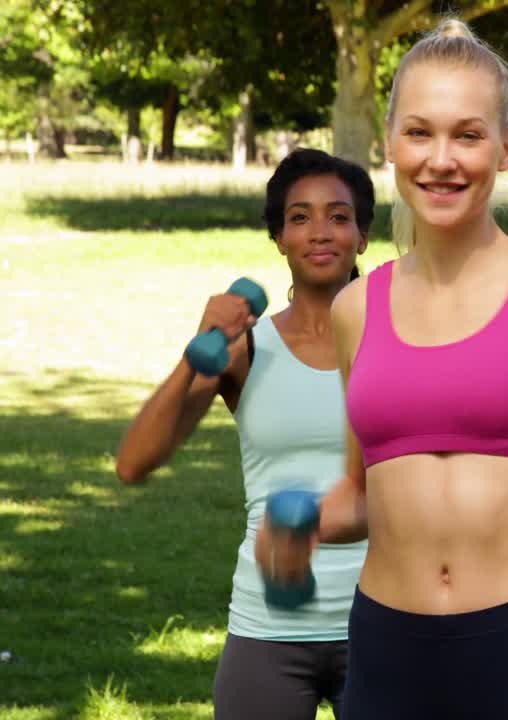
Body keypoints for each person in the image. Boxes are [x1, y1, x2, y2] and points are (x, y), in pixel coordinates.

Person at [255, 19, 508, 720]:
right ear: (389, 142)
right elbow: (363, 494)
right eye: (419, 132)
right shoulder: (358, 306)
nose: (440, 159)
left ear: (506, 148)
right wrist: (299, 526)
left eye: (468, 135)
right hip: (389, 654)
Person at [115, 147, 374, 719]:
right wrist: (197, 351)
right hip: (267, 627)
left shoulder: (397, 340)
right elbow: (133, 463)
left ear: (361, 234)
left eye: (338, 215)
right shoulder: (247, 348)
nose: (319, 232)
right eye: (299, 217)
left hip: (384, 620)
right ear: (279, 238)